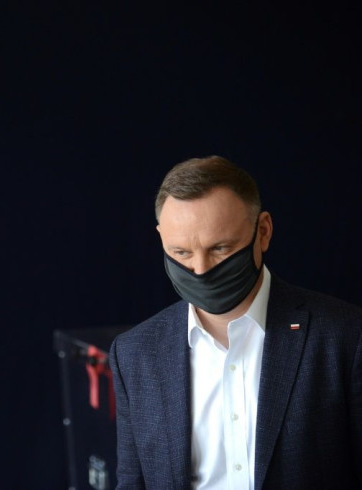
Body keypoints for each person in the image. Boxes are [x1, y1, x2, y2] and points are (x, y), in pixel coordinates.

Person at [108, 156, 362, 489]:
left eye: (221, 248)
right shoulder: (134, 355)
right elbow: (132, 482)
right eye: (181, 252)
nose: (200, 270)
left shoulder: (344, 337)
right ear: (161, 239)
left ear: (264, 231)